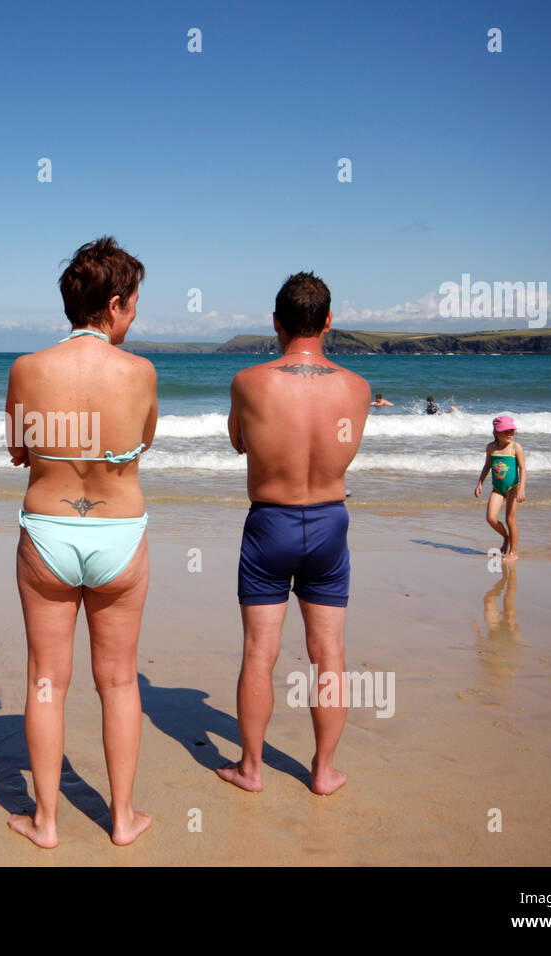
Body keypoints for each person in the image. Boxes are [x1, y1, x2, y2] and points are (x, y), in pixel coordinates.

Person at [4, 236, 157, 848]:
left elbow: (18, 449)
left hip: (47, 532)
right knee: (118, 681)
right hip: (119, 533)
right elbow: (142, 442)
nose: (136, 315)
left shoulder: (26, 368)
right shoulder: (141, 371)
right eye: (135, 303)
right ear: (114, 304)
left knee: (46, 678)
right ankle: (121, 819)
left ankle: (45, 822)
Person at [221, 271, 370, 797]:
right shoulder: (358, 387)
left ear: (277, 323)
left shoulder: (248, 381)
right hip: (330, 522)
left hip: (270, 523)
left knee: (260, 652)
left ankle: (252, 769)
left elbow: (240, 443)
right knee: (328, 652)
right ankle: (324, 771)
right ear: (328, 321)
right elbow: (344, 450)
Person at [474, 415, 526, 561]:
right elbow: (487, 466)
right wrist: (480, 483)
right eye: (505, 431)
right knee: (491, 518)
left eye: (512, 431)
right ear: (496, 432)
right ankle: (506, 537)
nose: (509, 434)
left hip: (513, 488)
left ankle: (513, 553)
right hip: (497, 489)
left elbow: (522, 469)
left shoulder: (515, 447)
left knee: (510, 520)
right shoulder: (491, 447)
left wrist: (521, 488)